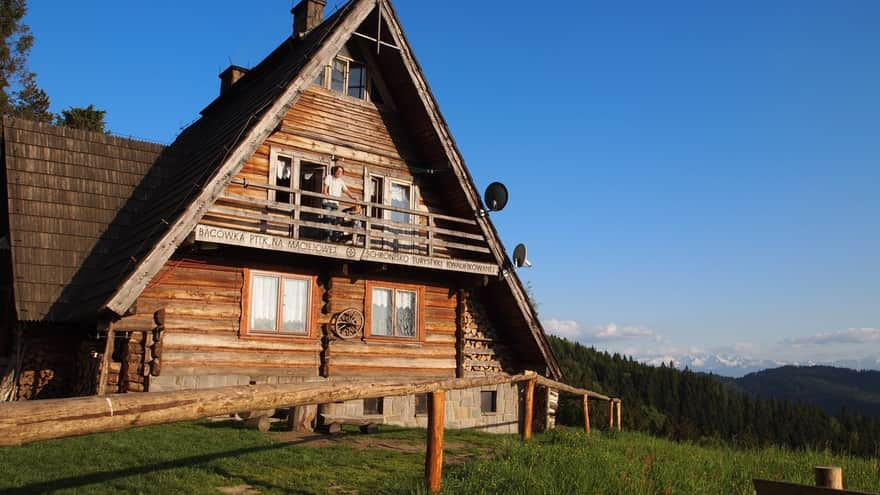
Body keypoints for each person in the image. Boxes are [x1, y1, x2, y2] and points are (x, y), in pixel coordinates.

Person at [322, 165, 358, 241]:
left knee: (333, 220)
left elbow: (346, 190)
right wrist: (325, 193)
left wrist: (353, 197)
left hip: (335, 204)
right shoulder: (329, 177)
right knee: (328, 219)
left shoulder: (341, 181)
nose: (339, 173)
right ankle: (327, 238)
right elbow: (325, 187)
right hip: (328, 202)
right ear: (335, 171)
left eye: (341, 172)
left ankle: (329, 237)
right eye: (338, 171)